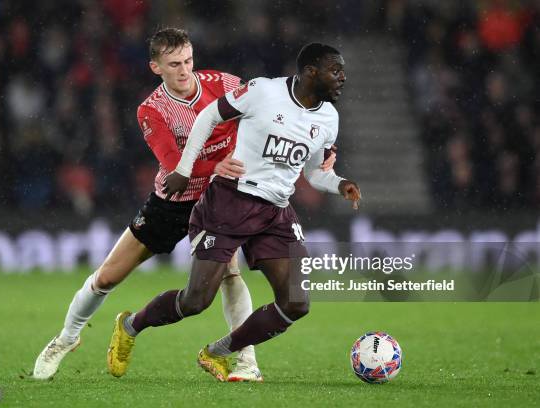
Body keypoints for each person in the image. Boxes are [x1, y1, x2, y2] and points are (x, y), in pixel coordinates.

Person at [33, 28, 338, 382]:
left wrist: (321, 148)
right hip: (174, 202)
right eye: (174, 64)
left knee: (230, 273)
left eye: (189, 61)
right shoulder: (151, 110)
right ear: (155, 67)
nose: (184, 70)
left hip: (228, 197)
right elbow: (173, 163)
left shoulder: (223, 83)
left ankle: (245, 360)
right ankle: (66, 340)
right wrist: (217, 163)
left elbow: (273, 108)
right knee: (107, 277)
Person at [106, 42, 360, 382]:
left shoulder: (329, 118)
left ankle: (218, 352)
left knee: (296, 303)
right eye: (335, 70)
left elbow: (314, 172)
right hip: (230, 202)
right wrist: (184, 166)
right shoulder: (263, 91)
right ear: (311, 72)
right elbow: (210, 115)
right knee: (195, 301)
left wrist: (340, 183)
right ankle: (131, 325)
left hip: (277, 212)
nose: (342, 78)